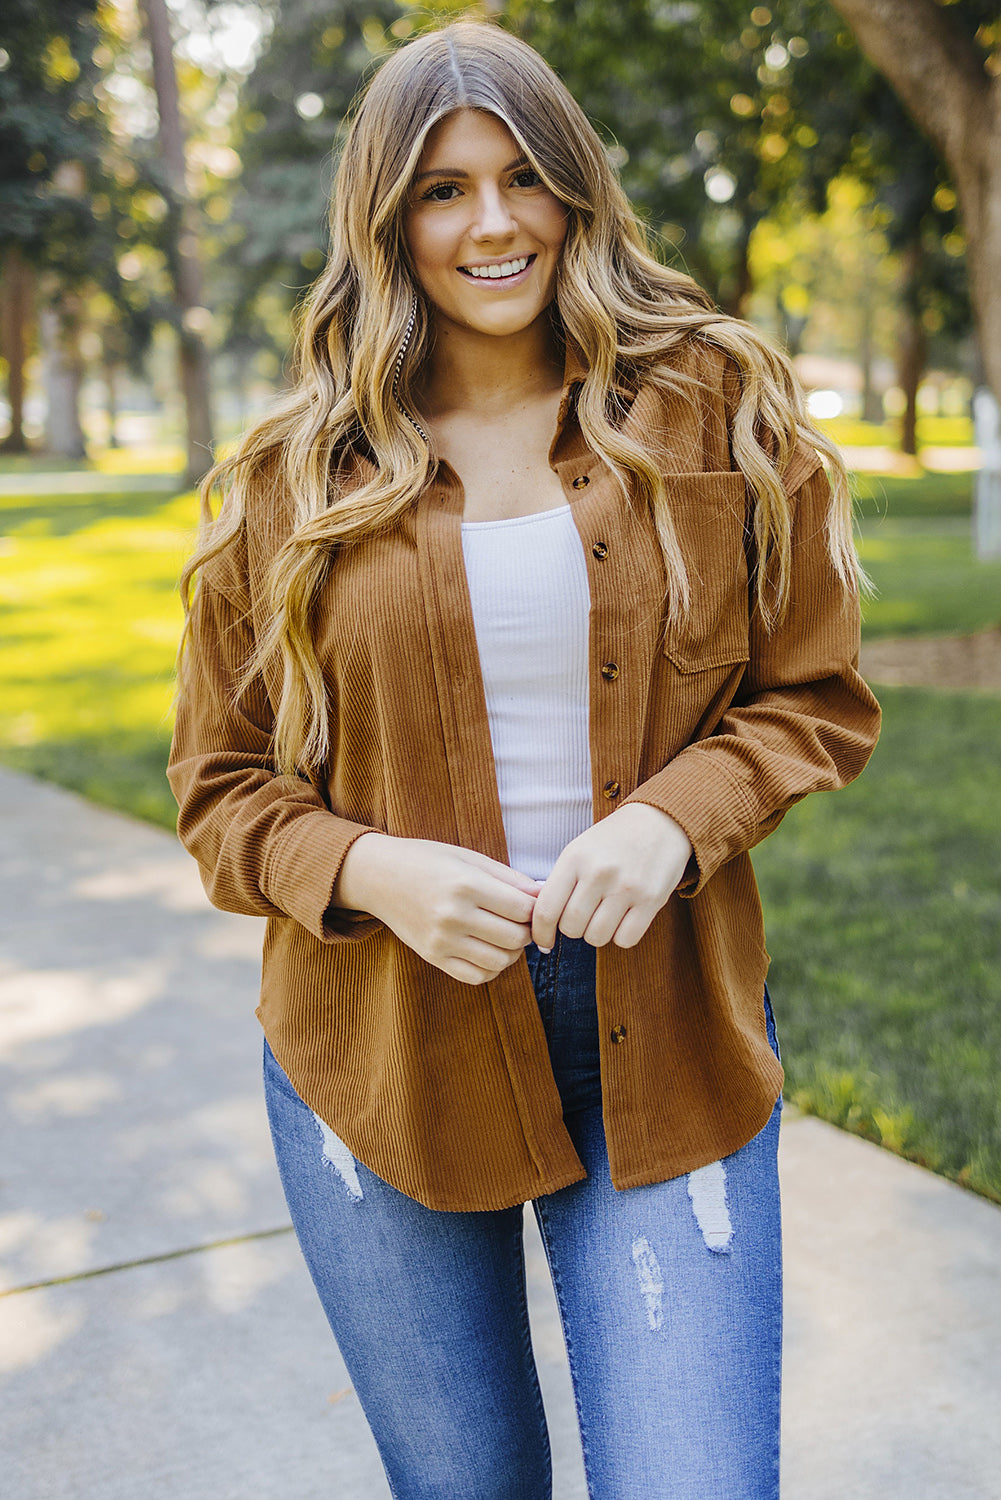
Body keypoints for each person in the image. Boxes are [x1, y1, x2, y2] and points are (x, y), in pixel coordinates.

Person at [167, 19, 881, 1499]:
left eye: (520, 178)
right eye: (440, 190)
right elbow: (218, 786)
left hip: (660, 1032)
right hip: (378, 1053)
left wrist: (678, 820)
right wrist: (367, 868)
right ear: (384, 219)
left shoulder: (719, 411)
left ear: (574, 188)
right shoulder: (287, 483)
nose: (490, 224)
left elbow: (814, 696)